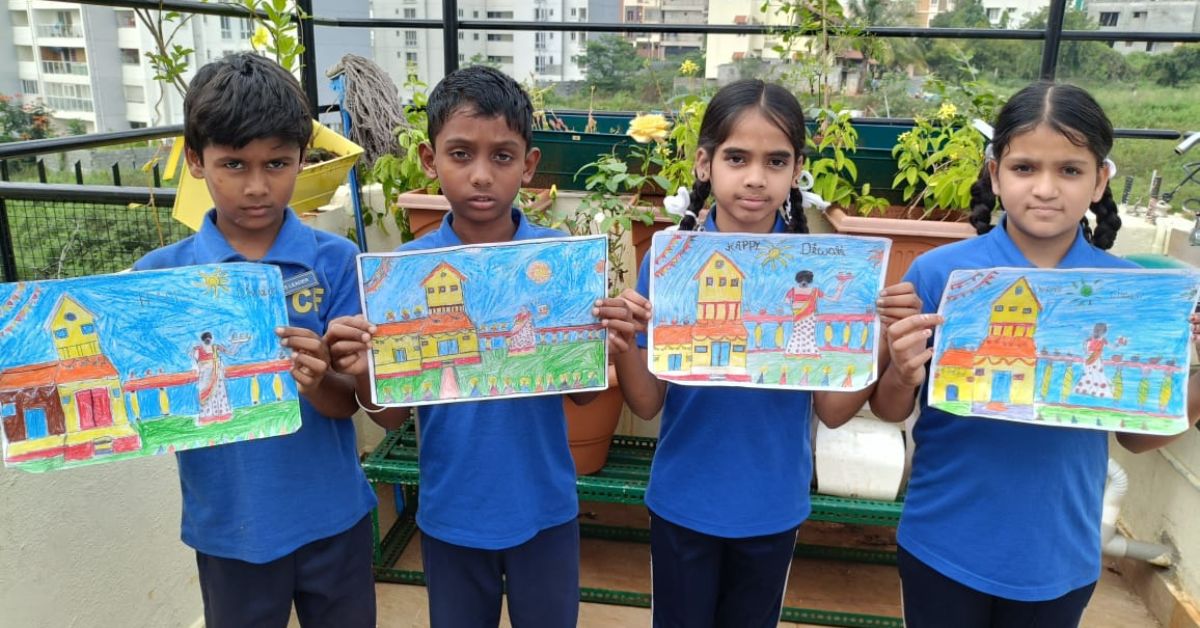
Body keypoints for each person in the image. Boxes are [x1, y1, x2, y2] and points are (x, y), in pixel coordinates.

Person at [871, 81, 1200, 628]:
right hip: (942, 543)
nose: (1045, 188)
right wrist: (903, 372)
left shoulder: (1130, 294)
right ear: (995, 173)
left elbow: (1138, 437)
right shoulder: (939, 274)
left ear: (1101, 180)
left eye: (1070, 170)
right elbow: (889, 409)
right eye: (1025, 168)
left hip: (1059, 558)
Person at [324, 65, 638, 628]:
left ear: (529, 165)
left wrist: (606, 347)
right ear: (429, 160)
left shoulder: (558, 261)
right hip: (451, 516)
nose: (481, 175)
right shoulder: (406, 278)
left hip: (545, 511)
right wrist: (364, 368)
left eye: (502, 156)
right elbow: (394, 415)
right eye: (460, 154)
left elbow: (587, 400)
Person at [602, 79, 920, 627]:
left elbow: (834, 410)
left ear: (797, 171)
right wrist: (623, 341)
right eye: (737, 158)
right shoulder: (672, 262)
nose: (755, 177)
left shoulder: (824, 276)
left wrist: (883, 344)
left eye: (775, 160)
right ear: (704, 164)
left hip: (772, 509)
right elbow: (648, 404)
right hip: (682, 502)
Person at [134, 53, 387, 628]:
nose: (256, 186)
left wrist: (322, 372)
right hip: (229, 529)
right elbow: (140, 402)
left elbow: (346, 404)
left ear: (302, 158)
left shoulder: (336, 262)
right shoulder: (158, 281)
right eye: (233, 164)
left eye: (277, 163)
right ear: (196, 161)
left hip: (334, 518)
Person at [191, 331, 246, 424]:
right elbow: (196, 362)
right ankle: (207, 418)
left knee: (219, 394)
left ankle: (222, 415)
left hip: (217, 375)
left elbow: (230, 352)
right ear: (203, 340)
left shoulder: (215, 347)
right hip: (205, 377)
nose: (208, 340)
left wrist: (237, 344)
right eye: (206, 339)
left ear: (211, 339)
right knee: (207, 397)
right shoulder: (197, 349)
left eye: (209, 338)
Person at [1074, 322, 1112, 398]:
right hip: (1094, 358)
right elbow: (1112, 347)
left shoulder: (1092, 338)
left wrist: (1086, 351)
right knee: (1096, 374)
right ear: (1104, 332)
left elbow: (1084, 344)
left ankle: (1087, 390)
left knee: (1090, 374)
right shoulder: (1101, 339)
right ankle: (1095, 391)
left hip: (1092, 358)